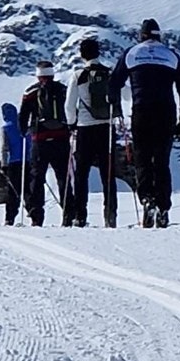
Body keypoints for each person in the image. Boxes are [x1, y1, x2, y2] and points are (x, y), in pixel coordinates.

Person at [110, 18, 180, 228]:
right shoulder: (171, 55)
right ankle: (163, 208)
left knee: (143, 161)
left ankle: (147, 200)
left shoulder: (132, 53)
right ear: (159, 35)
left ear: (141, 35)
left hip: (141, 111)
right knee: (162, 163)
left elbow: (114, 84)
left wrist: (117, 109)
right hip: (166, 112)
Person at [68, 37, 118, 228]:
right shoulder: (108, 73)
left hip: (85, 128)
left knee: (81, 174)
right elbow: (125, 94)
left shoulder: (78, 75)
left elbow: (69, 106)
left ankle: (80, 215)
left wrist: (72, 124)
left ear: (82, 55)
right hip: (107, 127)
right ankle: (110, 214)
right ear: (98, 52)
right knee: (108, 173)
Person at [17, 60, 71, 227]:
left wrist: (24, 131)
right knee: (63, 177)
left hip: (40, 140)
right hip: (61, 139)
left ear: (38, 74)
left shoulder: (31, 92)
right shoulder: (62, 90)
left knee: (37, 178)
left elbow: (23, 117)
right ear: (52, 74)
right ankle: (69, 215)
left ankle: (36, 217)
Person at [0, 102, 26, 225]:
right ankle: (35, 216)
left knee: (13, 192)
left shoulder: (6, 128)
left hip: (14, 163)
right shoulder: (24, 125)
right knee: (30, 190)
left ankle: (10, 218)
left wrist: (4, 165)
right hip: (27, 161)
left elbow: (5, 148)